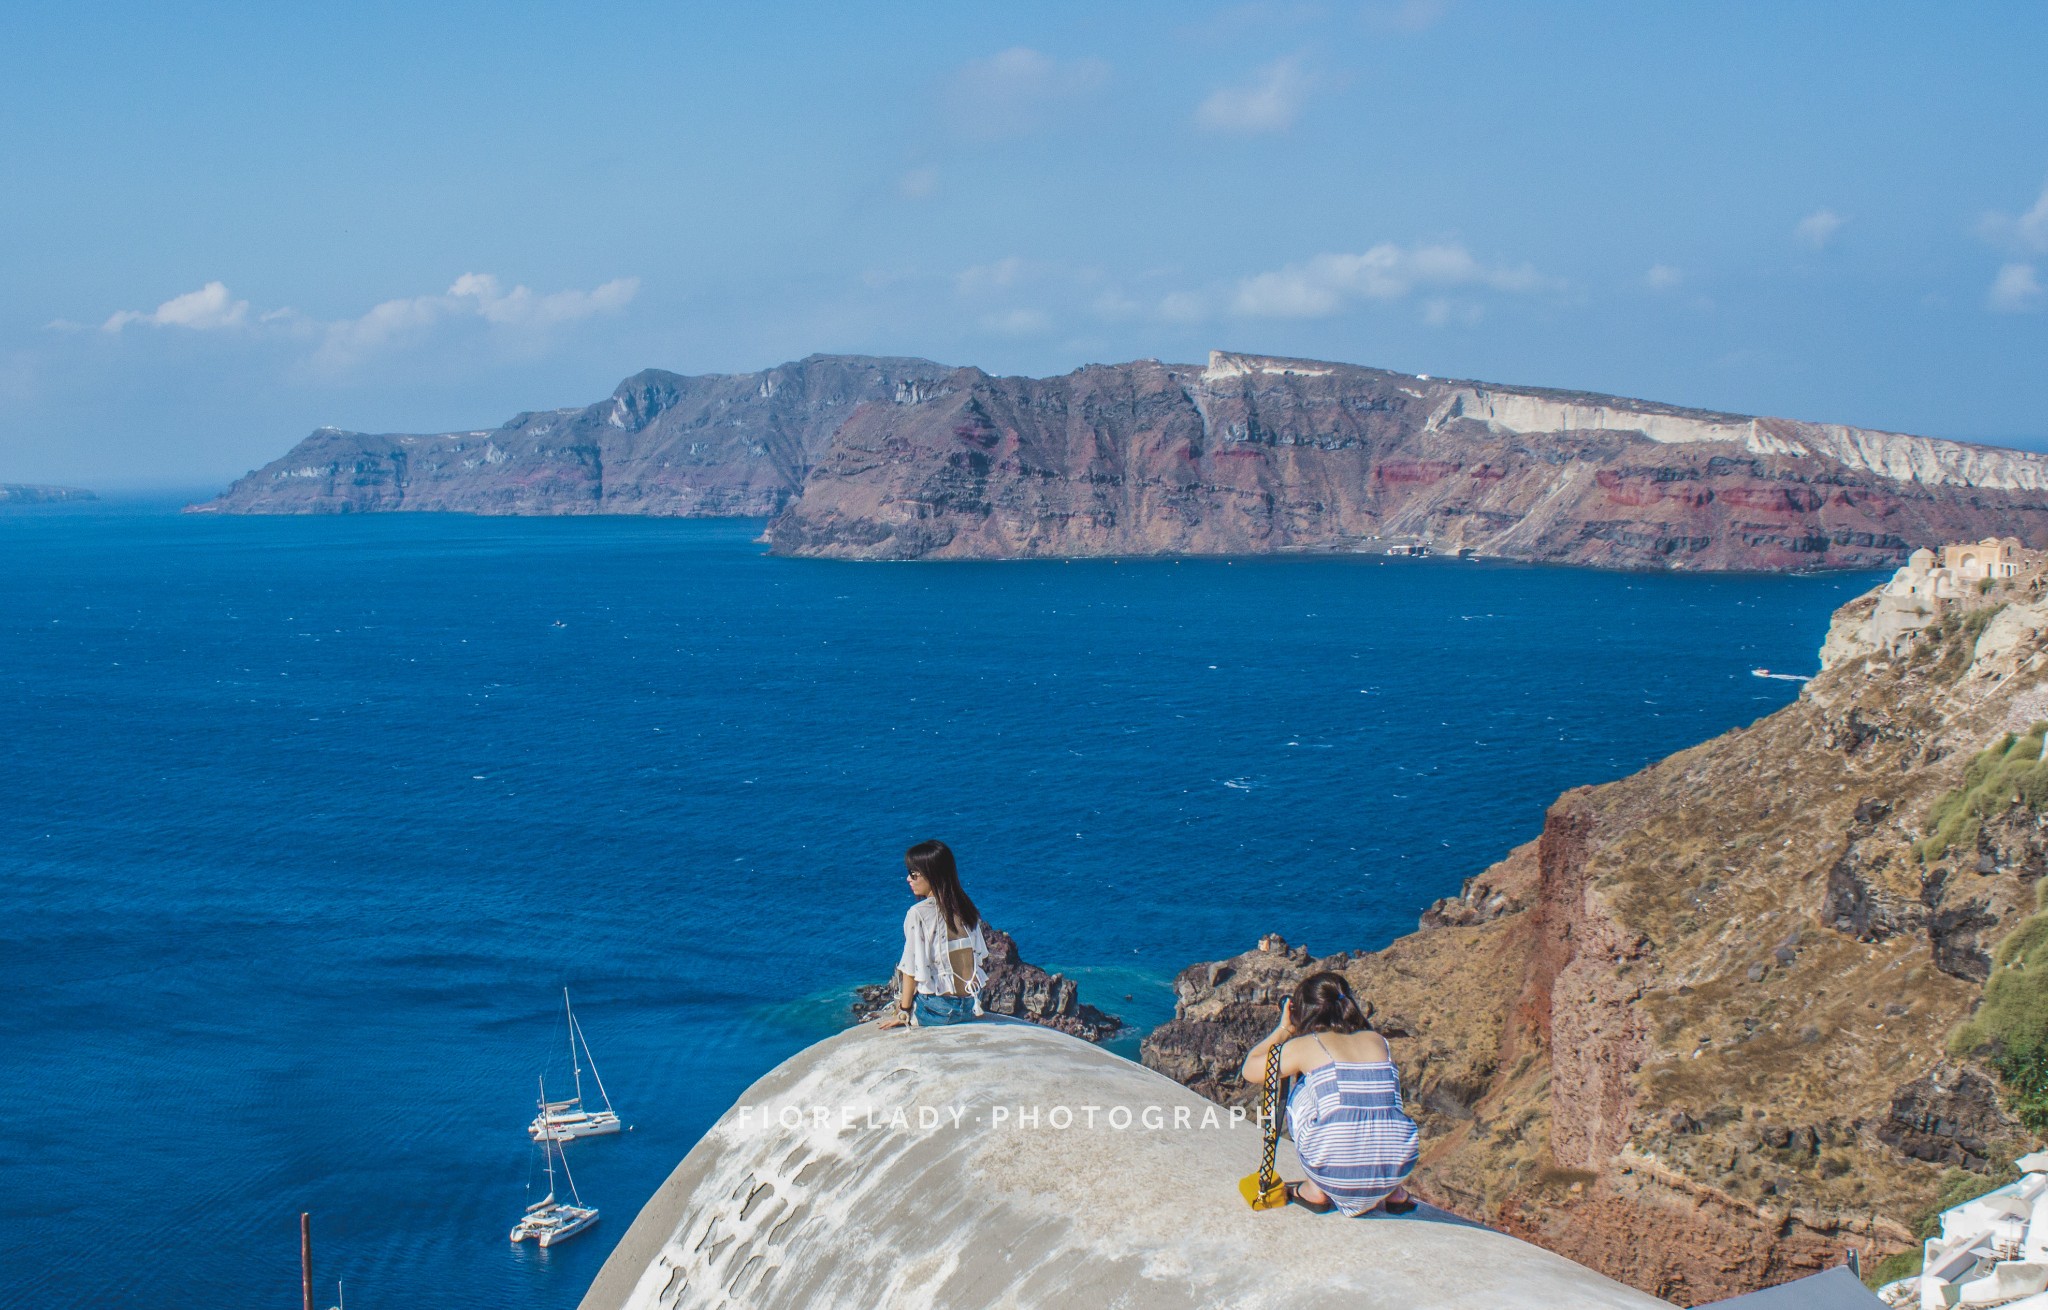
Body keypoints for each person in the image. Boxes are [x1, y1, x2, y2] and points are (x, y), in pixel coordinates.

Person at [1238, 970, 1419, 1216]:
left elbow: (1251, 1069)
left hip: (1336, 1174)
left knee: (1303, 1091)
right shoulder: (1378, 1041)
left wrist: (1285, 1028)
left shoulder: (1307, 1045)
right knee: (1379, 1098)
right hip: (1398, 1167)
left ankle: (1316, 1191)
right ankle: (1395, 1193)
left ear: (1303, 1010)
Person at [876, 839, 989, 1029]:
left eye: (913, 874)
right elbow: (977, 959)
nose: (908, 879)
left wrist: (904, 1011)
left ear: (932, 876)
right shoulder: (966, 908)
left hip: (939, 1010)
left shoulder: (918, 913)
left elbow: (911, 969)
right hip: (969, 1006)